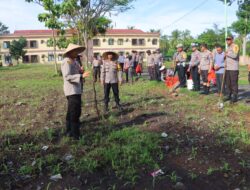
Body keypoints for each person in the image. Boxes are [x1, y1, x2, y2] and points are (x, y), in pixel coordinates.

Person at [61, 44, 90, 140]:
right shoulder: (67, 62)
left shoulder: (74, 62)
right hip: (71, 90)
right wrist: (81, 76)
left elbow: (76, 73)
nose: (77, 53)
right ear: (70, 52)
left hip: (76, 89)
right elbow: (67, 77)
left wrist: (80, 72)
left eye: (77, 51)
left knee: (71, 111)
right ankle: (75, 135)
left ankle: (69, 131)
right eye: (75, 51)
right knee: (75, 112)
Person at [224, 35, 240, 103]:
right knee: (228, 83)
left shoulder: (235, 46)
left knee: (234, 83)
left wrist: (227, 54)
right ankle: (228, 95)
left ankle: (234, 97)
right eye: (227, 39)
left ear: (232, 40)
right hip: (227, 68)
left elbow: (235, 55)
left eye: (229, 39)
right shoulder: (228, 47)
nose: (228, 40)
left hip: (233, 68)